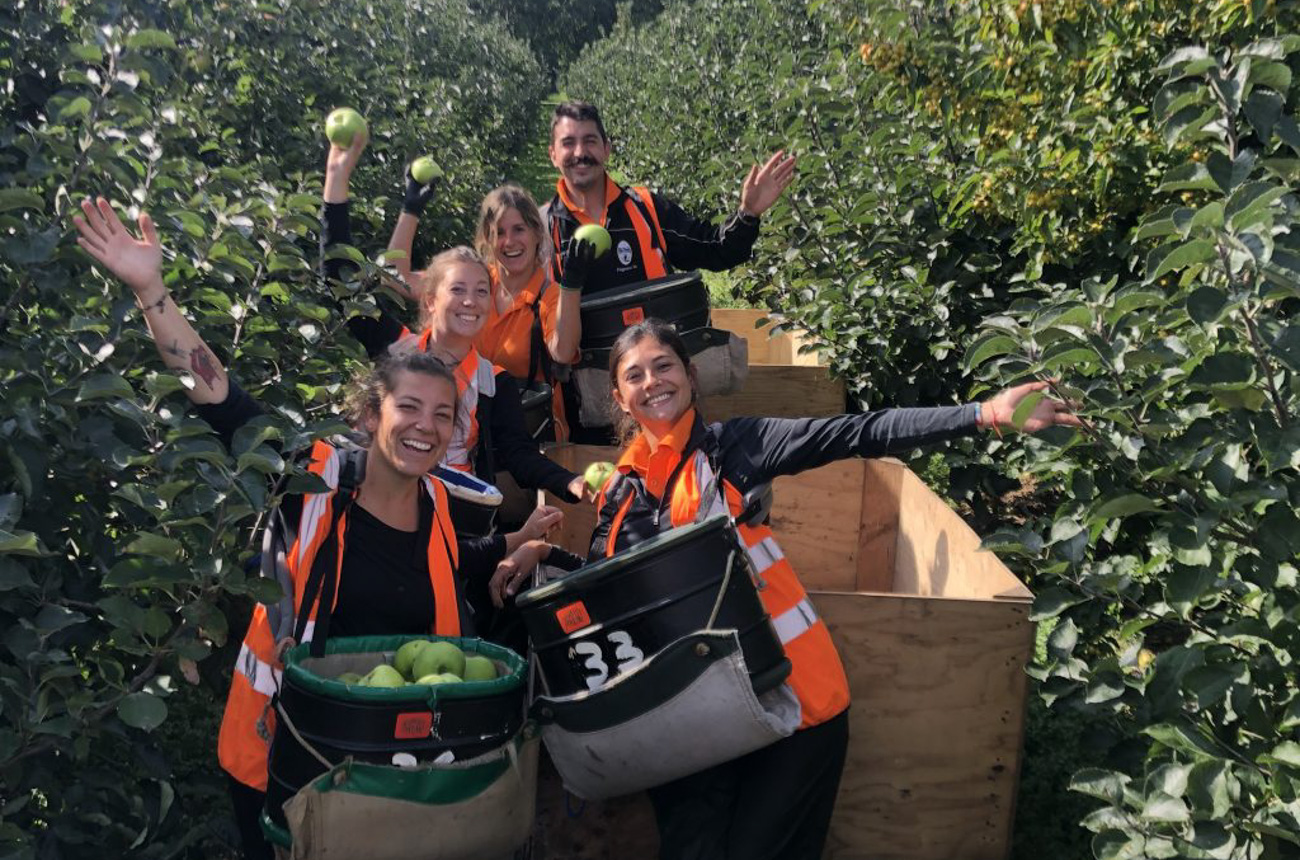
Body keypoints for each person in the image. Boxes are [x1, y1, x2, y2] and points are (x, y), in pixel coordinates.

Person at [71, 197, 567, 860]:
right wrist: (152, 290)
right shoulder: (312, 481)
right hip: (287, 753)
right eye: (408, 408)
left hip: (390, 769)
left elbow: (457, 565)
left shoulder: (443, 508)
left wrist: (519, 545)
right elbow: (218, 395)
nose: (425, 425)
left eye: (441, 416)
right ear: (370, 416)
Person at [588, 318, 1081, 860]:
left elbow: (857, 432)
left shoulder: (737, 450)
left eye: (664, 366)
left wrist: (983, 415)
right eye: (635, 375)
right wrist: (536, 555)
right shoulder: (619, 492)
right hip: (688, 718)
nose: (653, 382)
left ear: (690, 375)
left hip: (794, 706)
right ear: (619, 396)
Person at [319, 132, 587, 503]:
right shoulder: (400, 349)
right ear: (430, 301)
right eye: (458, 290)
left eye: (480, 291)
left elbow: (520, 456)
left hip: (451, 507)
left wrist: (569, 481)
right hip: (381, 495)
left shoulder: (493, 382)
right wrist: (337, 179)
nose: (472, 301)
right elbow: (339, 280)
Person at [544, 100, 796, 295]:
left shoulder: (646, 209)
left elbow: (714, 249)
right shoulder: (542, 228)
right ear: (553, 154)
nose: (580, 152)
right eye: (568, 143)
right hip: (584, 362)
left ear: (606, 149)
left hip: (649, 359)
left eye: (590, 141)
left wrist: (747, 214)